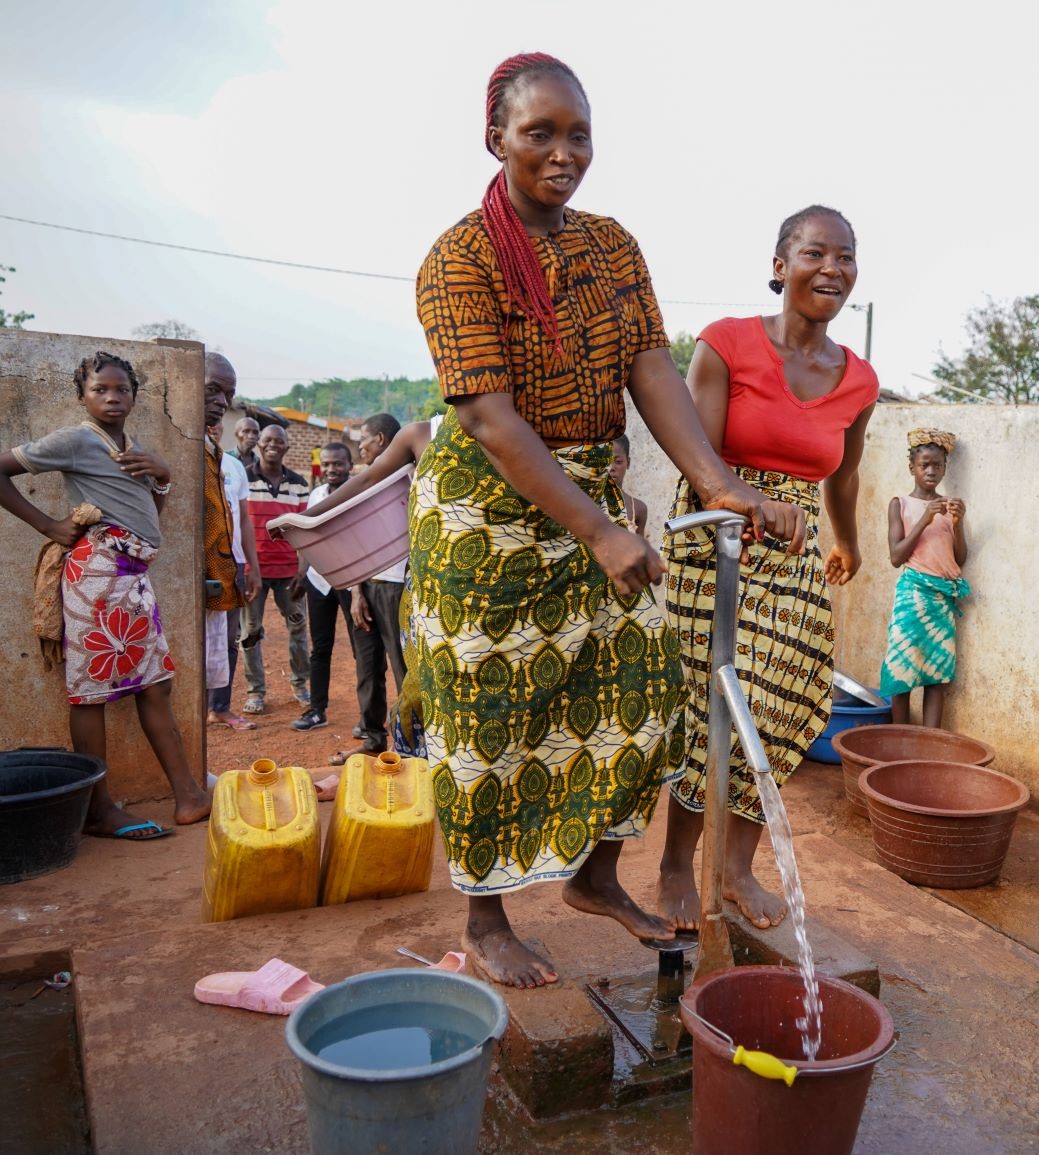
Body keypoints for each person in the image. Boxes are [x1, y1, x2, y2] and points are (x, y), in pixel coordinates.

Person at [299, 53, 803, 988]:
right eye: (541, 134)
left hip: (587, 496)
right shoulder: (458, 259)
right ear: (496, 140)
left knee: (647, 685)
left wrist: (720, 483)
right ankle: (486, 920)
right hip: (486, 518)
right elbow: (489, 419)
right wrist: (603, 531)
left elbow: (652, 368)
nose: (563, 152)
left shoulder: (613, 247)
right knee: (487, 719)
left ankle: (596, 876)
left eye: (578, 135)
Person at [657, 204, 878, 931]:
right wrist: (745, 500)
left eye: (845, 257)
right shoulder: (726, 345)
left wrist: (843, 538)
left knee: (778, 706)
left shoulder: (859, 379)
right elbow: (697, 447)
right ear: (780, 265)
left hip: (793, 551)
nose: (833, 269)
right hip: (716, 536)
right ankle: (674, 865)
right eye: (815, 253)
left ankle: (736, 867)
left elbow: (841, 473)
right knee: (710, 706)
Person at [0, 352, 212, 838]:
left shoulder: (128, 446)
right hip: (99, 575)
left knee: (154, 684)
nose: (112, 397)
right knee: (92, 692)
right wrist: (49, 525)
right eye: (100, 389)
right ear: (82, 395)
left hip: (131, 576)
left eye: (121, 389)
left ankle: (188, 795)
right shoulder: (77, 440)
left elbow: (148, 517)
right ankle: (100, 809)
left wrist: (163, 475)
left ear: (135, 396)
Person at [330, 412, 408, 766]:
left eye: (363, 437)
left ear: (380, 440)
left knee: (405, 669)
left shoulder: (411, 478)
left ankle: (412, 747)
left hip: (398, 589)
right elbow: (353, 538)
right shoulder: (363, 484)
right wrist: (356, 592)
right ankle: (374, 739)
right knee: (367, 667)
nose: (359, 444)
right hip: (366, 587)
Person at [880, 428, 969, 728]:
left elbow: (959, 559)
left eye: (937, 465)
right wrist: (924, 519)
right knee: (902, 674)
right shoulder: (900, 504)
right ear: (912, 468)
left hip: (942, 598)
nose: (931, 471)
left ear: (945, 467)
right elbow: (896, 557)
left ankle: (929, 745)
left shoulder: (950, 506)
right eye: (924, 465)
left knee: (938, 675)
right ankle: (900, 739)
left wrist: (958, 523)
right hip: (912, 596)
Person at [241, 423, 311, 715]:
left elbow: (306, 530)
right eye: (267, 440)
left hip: (288, 573)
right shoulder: (244, 479)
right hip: (253, 572)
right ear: (259, 444)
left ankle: (300, 684)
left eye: (278, 441)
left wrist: (302, 569)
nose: (272, 445)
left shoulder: (298, 483)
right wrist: (246, 568)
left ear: (286, 447)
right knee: (251, 632)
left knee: (297, 627)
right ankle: (256, 691)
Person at [291, 442, 354, 731]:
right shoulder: (316, 494)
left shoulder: (357, 490)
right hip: (319, 580)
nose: (332, 469)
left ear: (349, 465)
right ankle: (317, 710)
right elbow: (305, 534)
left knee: (362, 648)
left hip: (351, 580)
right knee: (321, 646)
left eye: (338, 464)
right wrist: (302, 573)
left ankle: (370, 717)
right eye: (327, 464)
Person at [206, 410, 259, 731]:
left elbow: (244, 520)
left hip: (233, 563)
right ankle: (195, 708)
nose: (213, 425)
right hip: (200, 564)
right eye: (206, 418)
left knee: (228, 638)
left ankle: (220, 707)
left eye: (216, 418)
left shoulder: (234, 466)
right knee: (197, 638)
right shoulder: (188, 461)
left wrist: (252, 566)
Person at [609, 432, 648, 535]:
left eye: (618, 461)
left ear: (628, 463)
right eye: (605, 461)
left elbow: (641, 549)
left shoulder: (638, 508)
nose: (611, 467)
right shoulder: (587, 502)